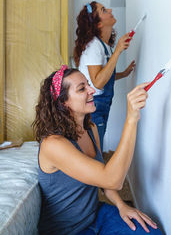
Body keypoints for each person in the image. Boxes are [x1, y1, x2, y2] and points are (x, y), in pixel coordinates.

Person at [33, 65, 163, 235]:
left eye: (88, 84)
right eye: (82, 89)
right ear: (63, 103)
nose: (92, 90)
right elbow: (112, 179)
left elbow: (103, 179)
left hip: (95, 215)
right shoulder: (53, 145)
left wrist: (121, 204)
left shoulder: (91, 128)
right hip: (67, 231)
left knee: (151, 232)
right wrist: (131, 118)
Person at [74, 1, 136, 150]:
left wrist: (123, 74)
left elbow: (103, 75)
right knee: (95, 151)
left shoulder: (104, 45)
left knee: (96, 148)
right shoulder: (94, 46)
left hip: (101, 105)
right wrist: (118, 51)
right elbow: (97, 83)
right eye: (103, 10)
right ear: (98, 24)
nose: (110, 9)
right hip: (93, 105)